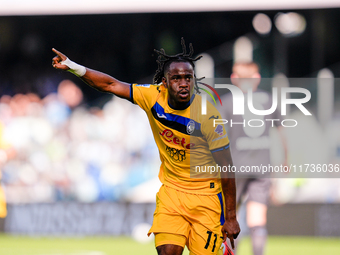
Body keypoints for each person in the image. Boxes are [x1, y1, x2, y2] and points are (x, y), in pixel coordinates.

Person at [52, 38, 240, 255]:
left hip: (206, 199)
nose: (183, 83)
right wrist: (75, 68)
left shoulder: (208, 115)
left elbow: (226, 166)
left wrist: (231, 217)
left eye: (188, 78)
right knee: (167, 252)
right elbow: (110, 84)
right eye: (176, 78)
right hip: (172, 193)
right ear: (164, 82)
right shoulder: (152, 96)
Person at [217, 62, 287, 255]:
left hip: (235, 168)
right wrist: (286, 161)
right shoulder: (268, 101)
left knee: (231, 217)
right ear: (257, 78)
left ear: (234, 78)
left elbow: (216, 135)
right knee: (257, 219)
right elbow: (282, 135)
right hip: (262, 167)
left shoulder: (227, 102)